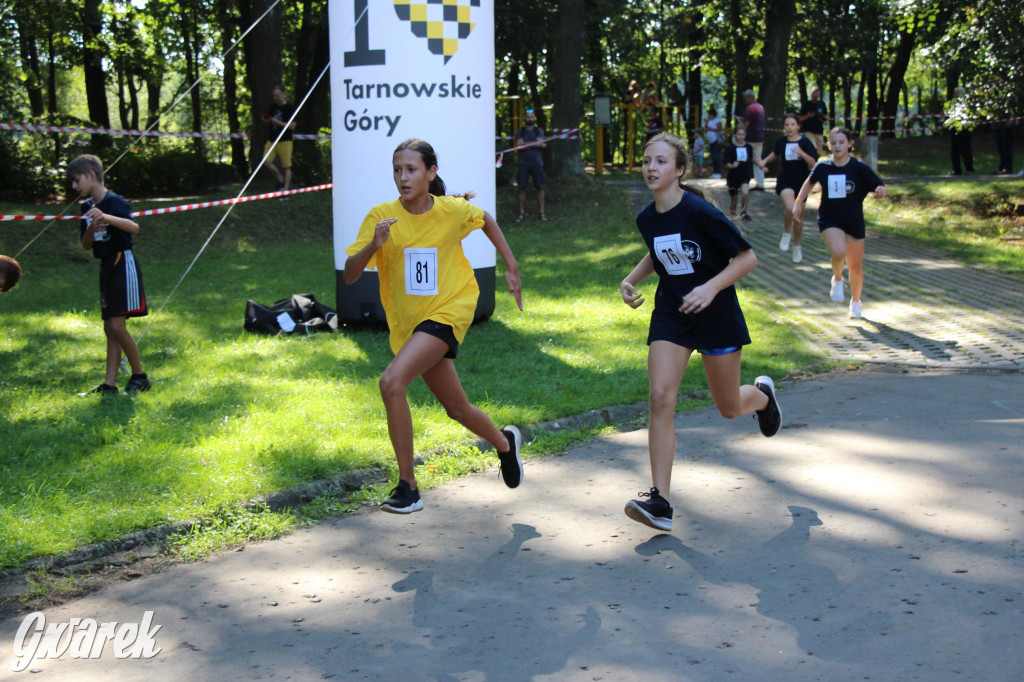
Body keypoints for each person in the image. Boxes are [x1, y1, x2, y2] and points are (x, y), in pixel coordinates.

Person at [343, 139, 525, 514]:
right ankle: (505, 443)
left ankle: (408, 486)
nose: (403, 177)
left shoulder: (451, 210)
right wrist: (373, 245)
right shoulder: (383, 217)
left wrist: (511, 264)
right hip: (412, 326)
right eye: (397, 170)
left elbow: (485, 220)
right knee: (456, 408)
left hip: (449, 310)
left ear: (431, 172)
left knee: (391, 382)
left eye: (411, 169)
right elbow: (350, 275)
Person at [618, 132, 782, 532]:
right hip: (673, 314)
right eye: (646, 160)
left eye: (660, 161)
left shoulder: (700, 212)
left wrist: (711, 286)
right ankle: (660, 502)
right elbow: (660, 252)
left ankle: (761, 398)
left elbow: (747, 258)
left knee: (727, 407)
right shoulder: (646, 217)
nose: (651, 168)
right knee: (660, 397)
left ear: (679, 170)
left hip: (715, 314)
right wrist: (631, 279)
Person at [67, 154, 151, 395]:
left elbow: (134, 227)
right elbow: (86, 245)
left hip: (123, 263)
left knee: (117, 325)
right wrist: (91, 228)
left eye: (76, 180)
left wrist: (106, 218)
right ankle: (109, 385)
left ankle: (139, 376)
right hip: (105, 266)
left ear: (92, 175)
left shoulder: (115, 202)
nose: (75, 186)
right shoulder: (86, 208)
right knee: (109, 328)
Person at [792, 127, 887, 319]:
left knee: (856, 266)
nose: (837, 146)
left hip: (853, 220)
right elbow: (809, 182)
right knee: (839, 252)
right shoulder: (823, 167)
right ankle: (837, 278)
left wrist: (880, 189)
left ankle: (856, 302)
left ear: (850, 144)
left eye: (842, 142)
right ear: (829, 145)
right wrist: (799, 202)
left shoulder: (859, 168)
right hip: (829, 219)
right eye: (833, 143)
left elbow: (878, 183)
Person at [759, 113, 819, 263]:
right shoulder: (781, 141)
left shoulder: (805, 142)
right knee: (790, 207)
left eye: (792, 124)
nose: (789, 128)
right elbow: (775, 153)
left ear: (798, 126)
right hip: (785, 180)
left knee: (798, 217)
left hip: (801, 183)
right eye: (787, 125)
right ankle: (786, 233)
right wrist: (764, 161)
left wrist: (801, 153)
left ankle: (797, 246)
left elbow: (813, 161)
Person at [723, 125, 765, 220]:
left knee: (745, 193)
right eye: (739, 134)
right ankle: (732, 215)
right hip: (733, 176)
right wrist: (732, 165)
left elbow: (751, 158)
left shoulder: (748, 147)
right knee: (734, 199)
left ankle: (743, 212)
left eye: (743, 134)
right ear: (735, 135)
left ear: (745, 135)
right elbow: (727, 163)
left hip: (745, 174)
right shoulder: (730, 148)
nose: (741, 136)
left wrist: (760, 165)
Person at [514, 108, 547, 222]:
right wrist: (535, 144)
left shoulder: (539, 131)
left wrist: (527, 144)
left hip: (537, 163)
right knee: (522, 187)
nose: (530, 119)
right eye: (528, 117)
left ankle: (542, 212)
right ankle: (521, 213)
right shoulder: (520, 132)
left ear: (534, 118)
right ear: (524, 118)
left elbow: (542, 144)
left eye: (532, 117)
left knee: (539, 187)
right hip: (523, 164)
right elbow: (519, 145)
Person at [262, 86, 296, 192]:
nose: (275, 98)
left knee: (286, 166)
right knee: (266, 161)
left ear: (283, 94)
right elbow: (268, 120)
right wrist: (266, 120)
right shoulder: (272, 107)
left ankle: (285, 190)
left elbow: (292, 126)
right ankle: (281, 180)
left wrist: (275, 121)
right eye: (274, 96)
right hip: (272, 140)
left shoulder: (290, 108)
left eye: (277, 96)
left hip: (285, 140)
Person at [741, 89, 766, 190]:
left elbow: (746, 124)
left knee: (745, 158)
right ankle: (760, 183)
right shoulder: (760, 107)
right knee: (757, 158)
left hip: (751, 138)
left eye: (745, 98)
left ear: (749, 97)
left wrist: (741, 123)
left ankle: (743, 181)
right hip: (760, 137)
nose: (744, 101)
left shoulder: (750, 109)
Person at [948, 87, 974, 176]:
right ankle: (957, 170)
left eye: (956, 93)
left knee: (966, 149)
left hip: (964, 130)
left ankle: (969, 169)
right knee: (955, 150)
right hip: (954, 129)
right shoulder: (953, 104)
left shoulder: (966, 104)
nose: (955, 95)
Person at [798, 88, 829, 156]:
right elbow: (800, 119)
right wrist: (808, 116)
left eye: (816, 96)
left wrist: (824, 118)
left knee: (819, 151)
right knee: (812, 148)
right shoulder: (806, 104)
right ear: (811, 95)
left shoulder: (821, 103)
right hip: (808, 131)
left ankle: (814, 163)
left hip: (819, 131)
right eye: (813, 96)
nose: (815, 98)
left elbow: (826, 115)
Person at [704, 107, 724, 178]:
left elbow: (720, 129)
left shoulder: (717, 120)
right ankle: (715, 172)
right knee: (713, 156)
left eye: (710, 114)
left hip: (716, 140)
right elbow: (706, 128)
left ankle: (718, 172)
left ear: (713, 114)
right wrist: (706, 122)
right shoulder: (709, 121)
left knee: (717, 156)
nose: (709, 116)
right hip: (711, 141)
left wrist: (711, 129)